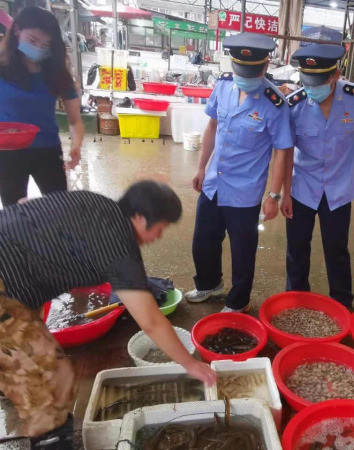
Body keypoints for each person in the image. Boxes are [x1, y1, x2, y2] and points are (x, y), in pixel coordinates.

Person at [0, 181, 216, 448]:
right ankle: (51, 439)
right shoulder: (119, 245)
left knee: (23, 353)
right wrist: (190, 364)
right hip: (5, 287)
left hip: (12, 265)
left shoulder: (97, 203)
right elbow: (150, 321)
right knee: (51, 382)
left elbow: (31, 214)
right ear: (140, 218)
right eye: (160, 227)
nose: (159, 237)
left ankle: (11, 382)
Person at [186, 33, 293, 312]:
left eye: (251, 72)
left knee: (242, 251)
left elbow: (282, 151)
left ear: (265, 66)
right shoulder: (223, 85)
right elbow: (212, 127)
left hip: (245, 192)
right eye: (240, 71)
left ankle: (238, 302)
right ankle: (209, 284)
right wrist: (201, 167)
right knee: (203, 241)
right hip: (214, 182)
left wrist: (274, 195)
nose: (244, 77)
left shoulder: (275, 103)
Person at [283, 44, 354, 309]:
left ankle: (342, 303)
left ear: (335, 75)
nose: (312, 88)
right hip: (302, 187)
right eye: (307, 81)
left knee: (337, 249)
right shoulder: (295, 104)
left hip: (338, 187)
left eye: (319, 82)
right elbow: (286, 151)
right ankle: (297, 300)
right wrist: (285, 192)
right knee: (297, 249)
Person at [0, 7, 84, 207]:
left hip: (47, 149)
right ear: (17, 31)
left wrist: (76, 145)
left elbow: (75, 121)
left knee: (59, 207)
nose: (38, 49)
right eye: (33, 40)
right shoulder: (2, 69)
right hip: (7, 151)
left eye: (46, 44)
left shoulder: (56, 73)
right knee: (14, 212)